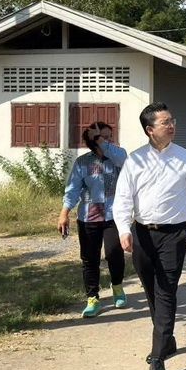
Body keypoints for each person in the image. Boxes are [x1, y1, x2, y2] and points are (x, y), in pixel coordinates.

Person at [113, 102, 186, 370]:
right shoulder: (135, 160)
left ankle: (157, 359)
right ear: (150, 130)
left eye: (172, 120)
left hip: (174, 234)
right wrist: (123, 229)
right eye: (165, 122)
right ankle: (166, 340)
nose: (172, 125)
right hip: (143, 234)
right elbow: (123, 198)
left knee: (166, 291)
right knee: (152, 290)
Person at [59, 121, 129, 318]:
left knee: (114, 253)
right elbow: (73, 190)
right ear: (92, 140)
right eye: (102, 137)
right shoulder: (82, 163)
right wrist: (64, 213)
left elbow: (122, 158)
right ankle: (92, 298)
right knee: (90, 258)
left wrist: (100, 140)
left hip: (114, 215)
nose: (107, 141)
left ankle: (117, 287)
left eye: (108, 137)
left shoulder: (118, 157)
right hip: (89, 217)